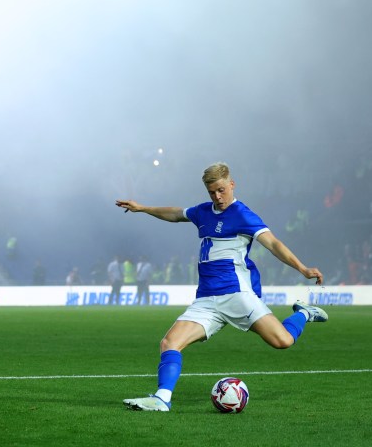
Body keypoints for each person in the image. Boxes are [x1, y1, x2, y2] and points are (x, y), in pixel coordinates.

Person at [116, 162, 328, 412]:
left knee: (282, 341)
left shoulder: (242, 214)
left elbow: (273, 244)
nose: (217, 197)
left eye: (221, 190)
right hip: (206, 299)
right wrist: (142, 208)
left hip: (237, 294)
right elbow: (175, 214)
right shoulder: (204, 212)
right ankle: (162, 398)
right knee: (169, 343)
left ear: (231, 185)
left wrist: (302, 268)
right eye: (211, 192)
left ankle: (303, 313)